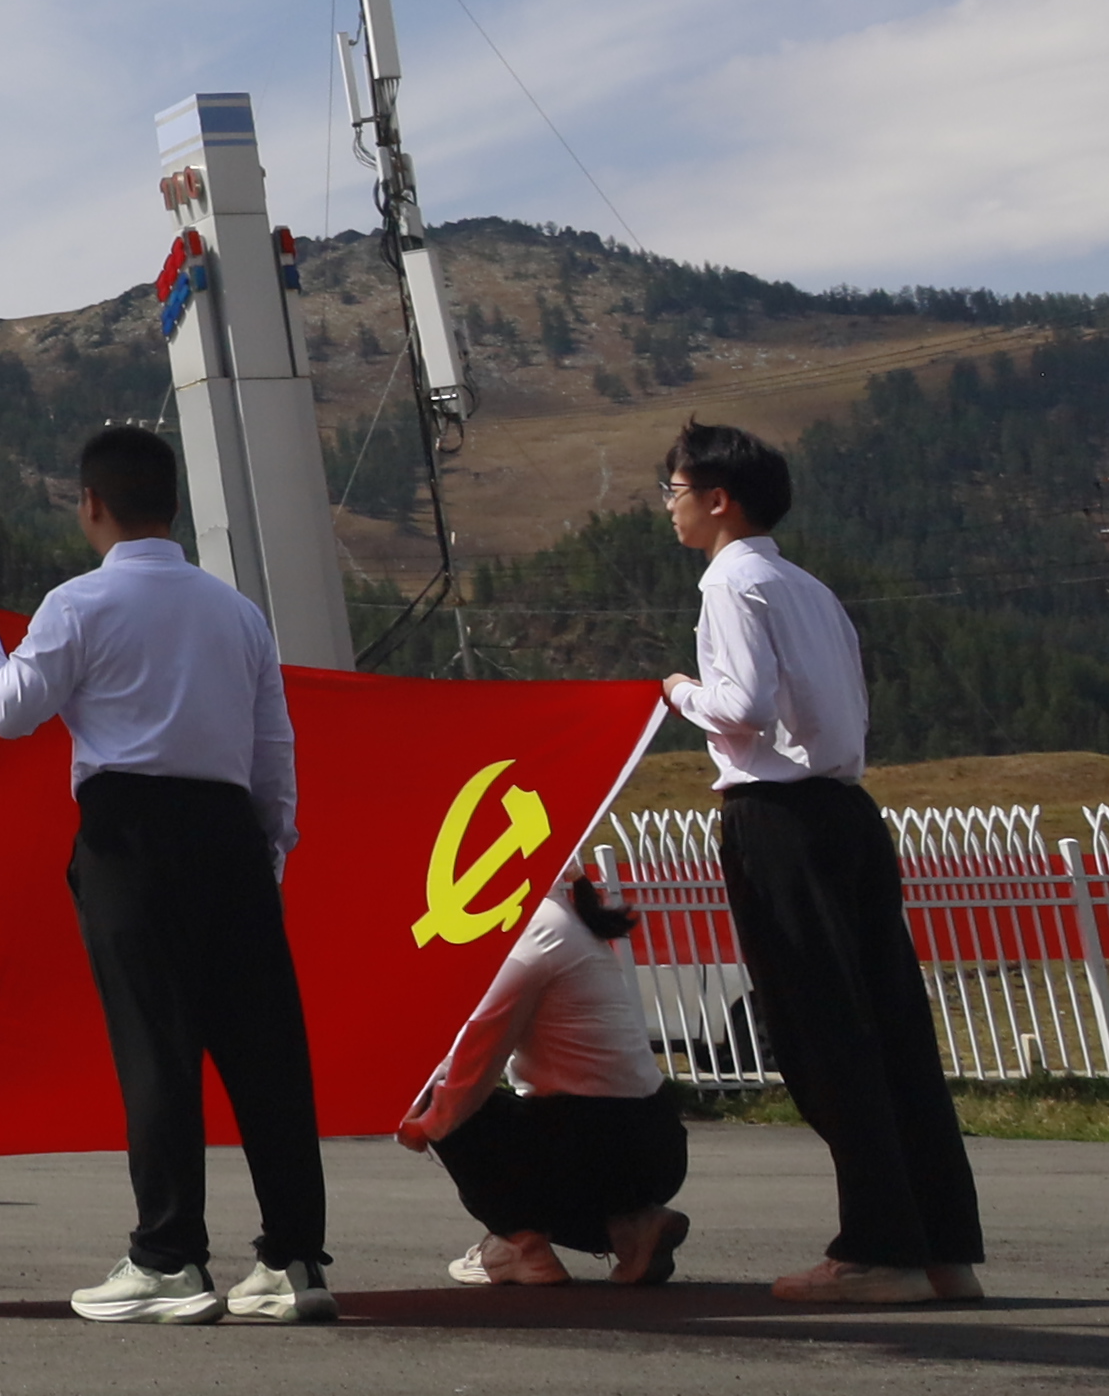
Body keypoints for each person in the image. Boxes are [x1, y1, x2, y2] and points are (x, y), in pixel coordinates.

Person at [0, 420, 327, 1325]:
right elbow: (274, 747)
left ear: (91, 503)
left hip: (130, 833)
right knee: (267, 1054)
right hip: (230, 832)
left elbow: (9, 712)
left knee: (157, 1045)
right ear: (173, 505)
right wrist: (269, 849)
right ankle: (295, 1260)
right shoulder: (237, 613)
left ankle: (169, 1258)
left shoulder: (79, 603)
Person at [661, 418, 983, 1306]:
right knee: (892, 1028)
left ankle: (879, 1247)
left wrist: (678, 692)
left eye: (675, 491)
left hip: (779, 819)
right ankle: (941, 1246)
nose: (669, 507)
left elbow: (742, 708)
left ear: (717, 499)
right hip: (847, 810)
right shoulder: (808, 587)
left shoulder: (730, 581)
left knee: (821, 1031)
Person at [402, 870, 688, 1288]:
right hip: (658, 1145)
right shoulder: (568, 921)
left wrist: (425, 1123)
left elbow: (475, 1055)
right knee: (496, 1109)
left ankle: (521, 1247)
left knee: (437, 1097)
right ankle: (634, 1227)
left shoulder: (532, 929)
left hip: (591, 1149)